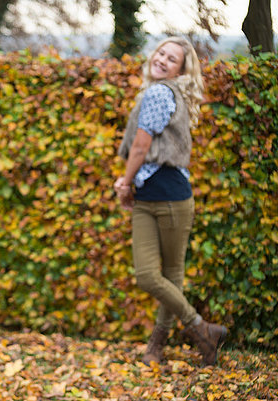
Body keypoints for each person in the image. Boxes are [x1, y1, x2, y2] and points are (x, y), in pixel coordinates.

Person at [114, 37, 227, 367]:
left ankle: (157, 346)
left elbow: (139, 147)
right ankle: (201, 329)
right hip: (149, 196)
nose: (162, 60)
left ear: (180, 69)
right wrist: (131, 185)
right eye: (161, 53)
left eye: (172, 58)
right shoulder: (159, 92)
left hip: (170, 196)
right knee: (150, 275)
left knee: (170, 274)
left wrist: (124, 181)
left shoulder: (161, 92)